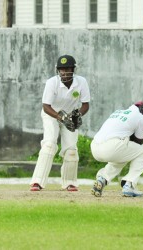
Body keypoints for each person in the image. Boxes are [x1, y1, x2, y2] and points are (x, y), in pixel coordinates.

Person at [30, 54, 90, 191]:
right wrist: (60, 117)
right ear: (58, 70)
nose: (64, 72)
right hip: (51, 114)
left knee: (71, 150)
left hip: (70, 115)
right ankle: (37, 182)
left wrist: (77, 114)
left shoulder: (81, 82)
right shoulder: (52, 82)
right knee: (49, 144)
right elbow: (46, 106)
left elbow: (86, 105)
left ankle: (69, 182)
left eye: (67, 69)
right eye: (62, 69)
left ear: (73, 69)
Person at [90, 101, 143, 197]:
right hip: (111, 147)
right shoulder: (142, 118)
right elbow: (139, 142)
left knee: (124, 153)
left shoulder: (118, 112)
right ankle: (129, 185)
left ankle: (102, 179)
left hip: (95, 147)